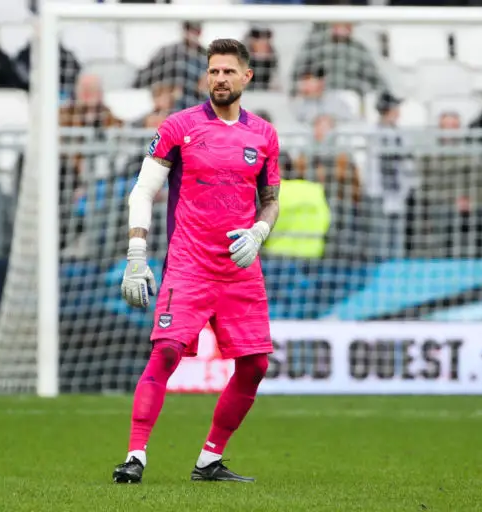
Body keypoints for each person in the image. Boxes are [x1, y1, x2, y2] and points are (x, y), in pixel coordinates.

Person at [114, 38, 281, 484]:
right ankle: (135, 456)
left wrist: (259, 233)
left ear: (247, 76)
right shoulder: (178, 126)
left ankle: (209, 460)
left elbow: (270, 200)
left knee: (256, 366)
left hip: (240, 269)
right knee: (167, 351)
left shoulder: (264, 135)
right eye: (214, 71)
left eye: (229, 71)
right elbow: (143, 191)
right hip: (188, 265)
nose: (220, 78)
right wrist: (136, 255)